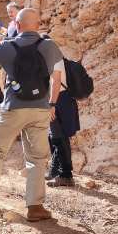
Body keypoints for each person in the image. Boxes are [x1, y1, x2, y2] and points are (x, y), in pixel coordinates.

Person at [0, 8, 64, 222]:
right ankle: (35, 207)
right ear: (39, 25)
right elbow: (55, 71)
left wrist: (0, 40)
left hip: (13, 107)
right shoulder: (49, 45)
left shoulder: (8, 45)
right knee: (37, 158)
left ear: (18, 25)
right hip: (40, 108)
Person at [46, 55, 80, 187]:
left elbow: (56, 82)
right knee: (54, 136)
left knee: (59, 137)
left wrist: (52, 104)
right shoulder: (50, 58)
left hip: (60, 99)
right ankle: (56, 171)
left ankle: (66, 175)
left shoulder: (54, 59)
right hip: (56, 98)